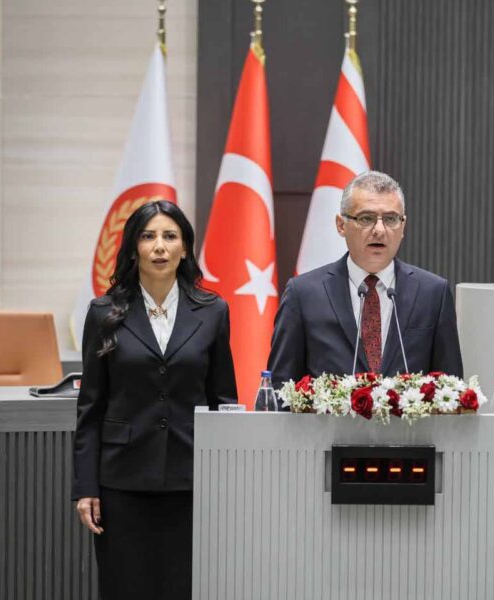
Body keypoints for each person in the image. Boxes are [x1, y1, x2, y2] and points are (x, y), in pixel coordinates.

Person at [72, 200, 237, 600]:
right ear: (133, 248)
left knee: (187, 587)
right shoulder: (103, 313)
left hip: (192, 479)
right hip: (122, 481)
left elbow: (223, 402)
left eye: (170, 236)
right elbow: (91, 408)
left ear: (185, 248)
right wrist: (85, 486)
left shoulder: (213, 311)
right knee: (125, 587)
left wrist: (228, 481)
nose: (160, 246)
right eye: (148, 236)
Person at [267, 171, 463, 390]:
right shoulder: (303, 294)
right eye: (366, 218)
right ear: (341, 225)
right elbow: (279, 390)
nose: (379, 230)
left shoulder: (433, 294)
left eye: (390, 219)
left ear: (403, 226)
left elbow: (451, 389)